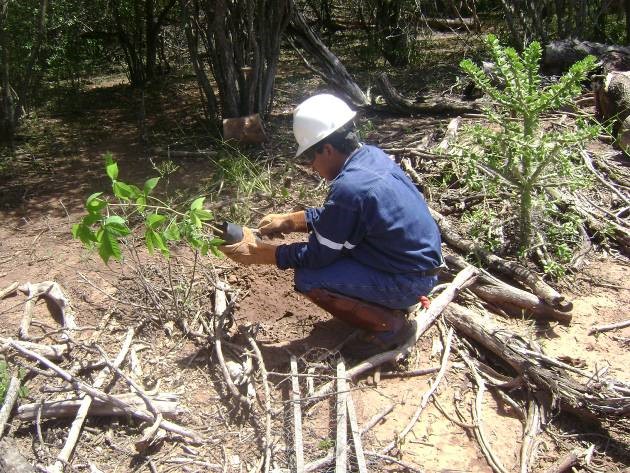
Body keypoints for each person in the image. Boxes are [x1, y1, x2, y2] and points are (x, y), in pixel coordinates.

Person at [221, 93, 443, 357]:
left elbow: (318, 256)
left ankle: (389, 327)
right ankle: (385, 304)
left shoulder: (350, 187)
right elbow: (341, 219)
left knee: (309, 277)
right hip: (414, 267)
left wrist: (263, 253)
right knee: (337, 256)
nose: (311, 166)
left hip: (409, 281)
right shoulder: (370, 157)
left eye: (310, 157)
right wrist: (291, 221)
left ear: (327, 149)